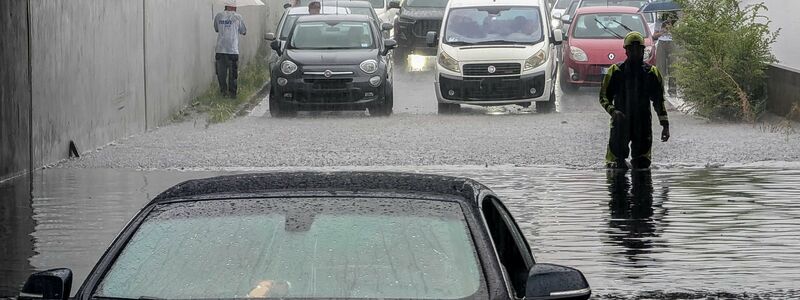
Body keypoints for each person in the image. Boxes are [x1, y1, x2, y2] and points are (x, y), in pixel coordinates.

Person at [599, 31, 670, 170]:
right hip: (620, 124)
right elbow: (603, 97)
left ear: (644, 50)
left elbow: (659, 102)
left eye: (639, 49)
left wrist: (665, 125)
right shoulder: (615, 71)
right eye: (632, 49)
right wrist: (613, 112)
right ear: (626, 51)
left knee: (642, 166)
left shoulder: (652, 73)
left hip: (642, 125)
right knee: (615, 167)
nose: (636, 52)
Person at [214, 0, 247, 98]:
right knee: (233, 74)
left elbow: (216, 29)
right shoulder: (238, 17)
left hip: (220, 49)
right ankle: (232, 94)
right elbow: (244, 31)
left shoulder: (218, 16)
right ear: (232, 6)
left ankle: (223, 92)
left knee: (221, 74)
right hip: (232, 50)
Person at [653, 20, 676, 96]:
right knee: (660, 67)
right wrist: (662, 32)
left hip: (672, 42)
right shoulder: (659, 21)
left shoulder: (675, 21)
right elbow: (654, 36)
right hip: (661, 43)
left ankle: (672, 90)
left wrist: (671, 28)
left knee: (673, 66)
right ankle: (660, 89)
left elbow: (681, 34)